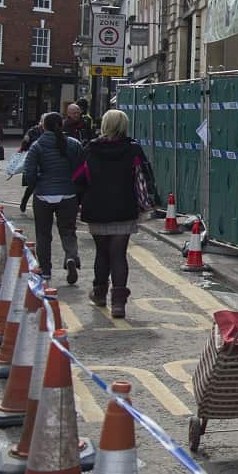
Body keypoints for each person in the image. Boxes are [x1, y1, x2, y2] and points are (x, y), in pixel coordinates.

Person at [72, 109, 146, 320]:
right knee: (118, 255)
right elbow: (143, 180)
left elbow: (78, 179)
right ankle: (119, 304)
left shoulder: (90, 150)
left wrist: (80, 203)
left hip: (96, 208)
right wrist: (145, 206)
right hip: (124, 208)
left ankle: (99, 293)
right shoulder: (133, 150)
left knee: (101, 253)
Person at [22, 112, 82, 286]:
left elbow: (29, 174)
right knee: (68, 230)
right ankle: (71, 257)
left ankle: (46, 272)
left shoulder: (37, 145)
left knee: (43, 234)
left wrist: (37, 184)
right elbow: (80, 169)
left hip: (43, 195)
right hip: (68, 194)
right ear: (61, 126)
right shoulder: (73, 144)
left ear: (43, 126)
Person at [18, 117, 44, 213]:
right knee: (32, 185)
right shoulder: (32, 131)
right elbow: (24, 147)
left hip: (44, 162)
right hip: (33, 161)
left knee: (40, 185)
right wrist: (25, 141)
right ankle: (24, 201)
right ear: (40, 122)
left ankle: (38, 207)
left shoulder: (50, 131)